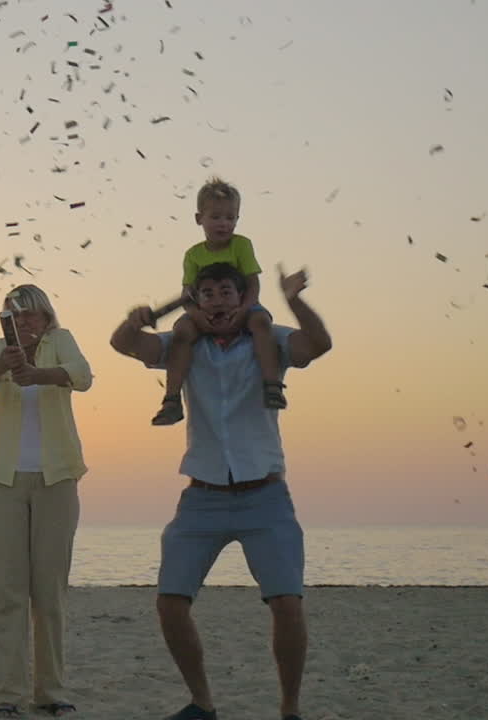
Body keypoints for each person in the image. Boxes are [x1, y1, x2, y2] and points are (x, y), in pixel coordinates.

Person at [110, 262, 333, 720]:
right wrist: (134, 321)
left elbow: (318, 345)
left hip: (265, 494)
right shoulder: (184, 346)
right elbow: (125, 344)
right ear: (197, 302)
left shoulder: (269, 340)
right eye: (207, 293)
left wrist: (294, 299)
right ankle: (202, 703)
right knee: (170, 603)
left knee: (287, 603)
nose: (217, 301)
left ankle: (290, 709)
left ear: (242, 297)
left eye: (225, 292)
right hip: (202, 495)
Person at [0, 285, 92, 719]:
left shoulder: (62, 341)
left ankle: (50, 691)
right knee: (7, 593)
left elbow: (82, 376)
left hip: (56, 477)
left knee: (50, 594)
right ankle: (6, 695)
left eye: (31, 314)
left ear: (46, 316)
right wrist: (6, 363)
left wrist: (39, 374)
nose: (24, 322)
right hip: (1, 477)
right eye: (15, 315)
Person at [152, 177, 285, 426]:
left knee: (261, 323)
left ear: (237, 219)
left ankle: (272, 385)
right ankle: (171, 399)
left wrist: (244, 309)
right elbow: (187, 294)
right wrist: (196, 315)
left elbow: (253, 284)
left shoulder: (242, 245)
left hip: (242, 306)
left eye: (230, 217)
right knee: (181, 332)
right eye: (215, 217)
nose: (223, 223)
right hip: (205, 310)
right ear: (199, 218)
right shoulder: (193, 255)